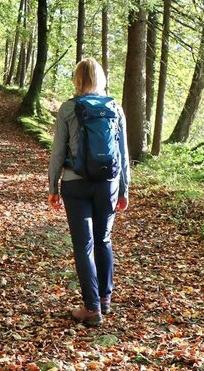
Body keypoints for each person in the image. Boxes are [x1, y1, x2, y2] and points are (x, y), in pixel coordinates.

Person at [48, 57, 130, 326]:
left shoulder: (68, 108)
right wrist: (124, 189)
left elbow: (58, 152)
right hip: (108, 184)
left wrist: (52, 187)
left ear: (77, 79)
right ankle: (104, 299)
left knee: (84, 247)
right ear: (101, 78)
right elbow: (123, 154)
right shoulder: (115, 108)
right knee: (103, 239)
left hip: (75, 183)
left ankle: (92, 308)